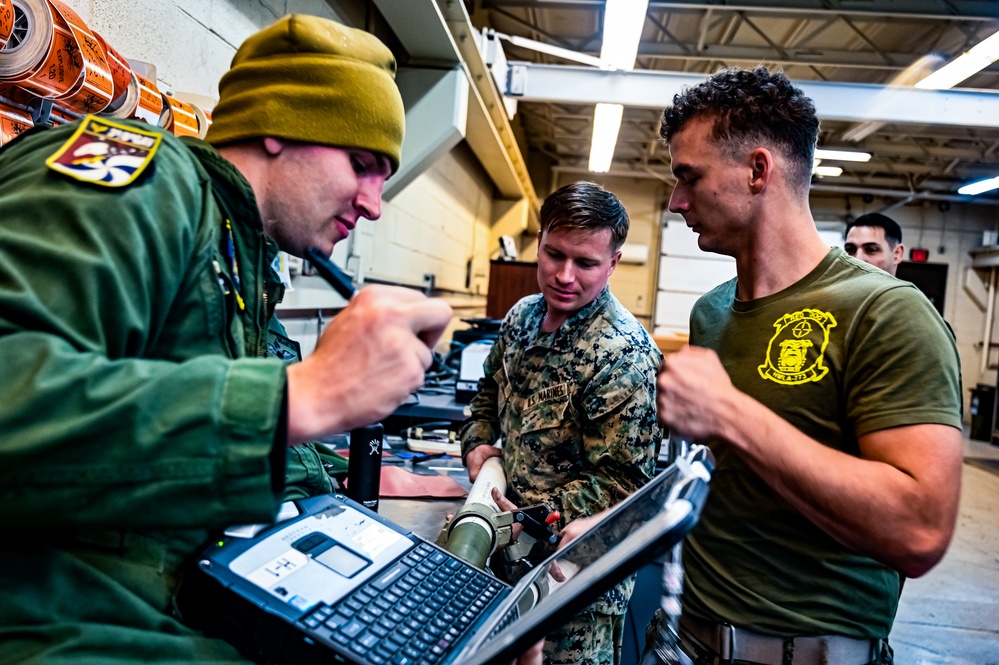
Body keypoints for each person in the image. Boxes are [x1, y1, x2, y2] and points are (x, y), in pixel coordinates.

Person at [0, 15, 456, 663]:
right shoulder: (141, 181)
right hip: (62, 623)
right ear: (277, 125)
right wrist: (301, 396)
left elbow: (203, 422)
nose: (374, 203)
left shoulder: (240, 254)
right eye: (361, 164)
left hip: (167, 610)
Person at [652, 67, 963, 665]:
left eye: (689, 178)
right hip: (692, 639)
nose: (676, 202)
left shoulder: (885, 312)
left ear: (758, 171)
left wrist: (731, 415)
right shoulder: (712, 313)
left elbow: (920, 531)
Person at [460, 181, 664, 665]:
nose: (564, 276)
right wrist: (477, 443)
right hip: (504, 557)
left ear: (613, 263)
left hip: (572, 584)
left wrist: (528, 515)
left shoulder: (622, 357)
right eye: (554, 255)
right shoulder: (521, 318)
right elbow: (487, 393)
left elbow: (623, 483)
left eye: (586, 263)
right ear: (539, 242)